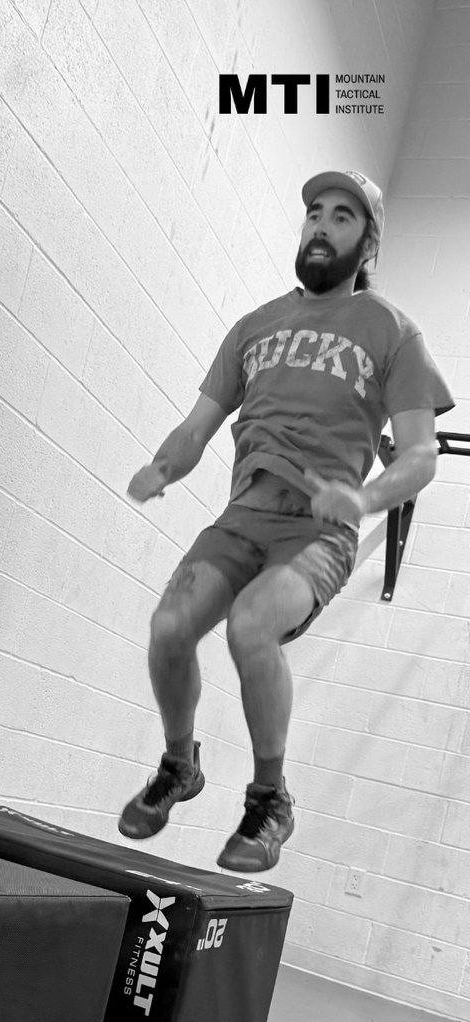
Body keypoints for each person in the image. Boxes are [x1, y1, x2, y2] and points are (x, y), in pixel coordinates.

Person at [119, 169, 454, 872]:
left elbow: (420, 456)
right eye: (314, 214)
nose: (322, 227)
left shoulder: (392, 331)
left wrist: (362, 502)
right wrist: (161, 469)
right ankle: (179, 766)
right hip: (243, 517)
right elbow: (197, 428)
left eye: (342, 217)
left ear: (367, 244)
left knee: (250, 626)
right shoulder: (255, 326)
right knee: (170, 628)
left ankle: (270, 800)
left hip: (317, 531)